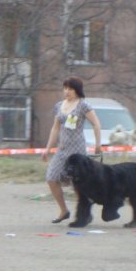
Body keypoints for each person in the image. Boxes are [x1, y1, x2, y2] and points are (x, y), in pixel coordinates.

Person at [42, 76, 101, 224]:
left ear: (77, 90)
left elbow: (96, 124)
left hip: (78, 151)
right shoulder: (59, 105)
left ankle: (84, 213)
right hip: (62, 149)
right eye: (65, 88)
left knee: (78, 184)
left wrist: (98, 144)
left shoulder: (83, 105)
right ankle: (64, 210)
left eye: (71, 89)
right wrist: (48, 148)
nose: (67, 91)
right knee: (51, 178)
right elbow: (55, 128)